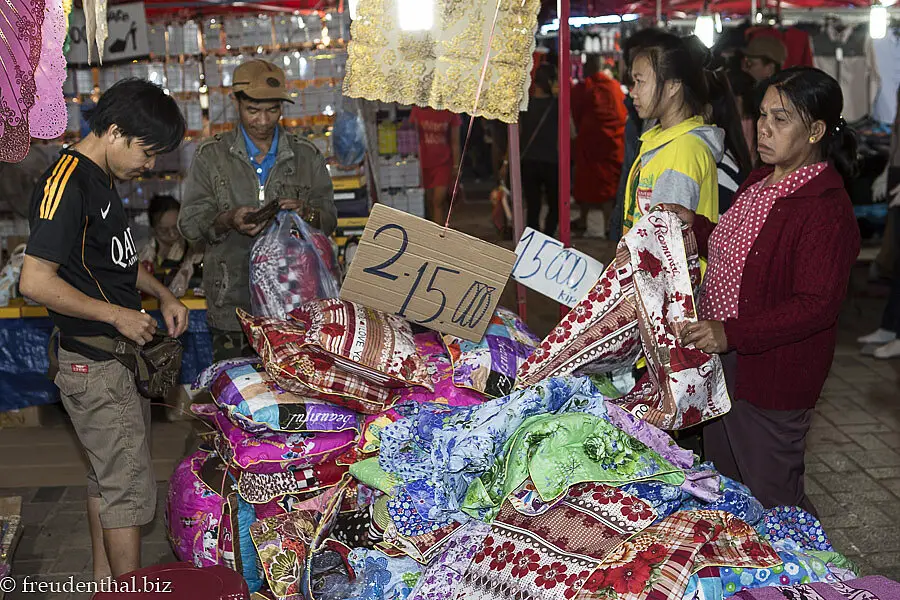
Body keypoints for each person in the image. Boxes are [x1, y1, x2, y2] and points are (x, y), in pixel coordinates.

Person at [665, 67, 860, 514]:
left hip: (770, 376)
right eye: (762, 115)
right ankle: (752, 579)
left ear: (815, 131)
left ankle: (812, 581)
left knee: (776, 503)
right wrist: (691, 224)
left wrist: (730, 334)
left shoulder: (825, 209)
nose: (764, 129)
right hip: (727, 364)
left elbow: (816, 307)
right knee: (728, 493)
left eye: (780, 118)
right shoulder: (760, 181)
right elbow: (736, 247)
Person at [18, 78, 188, 579]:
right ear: (115, 132)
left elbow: (114, 261)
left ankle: (106, 586)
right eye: (148, 152)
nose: (150, 166)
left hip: (111, 358)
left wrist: (162, 293)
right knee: (129, 489)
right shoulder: (66, 183)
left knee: (107, 480)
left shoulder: (100, 177)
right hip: (94, 361)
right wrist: (116, 314)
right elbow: (34, 280)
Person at [178, 59, 336, 362]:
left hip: (294, 304)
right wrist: (227, 219)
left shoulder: (306, 156)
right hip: (232, 305)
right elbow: (189, 224)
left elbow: (329, 220)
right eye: (253, 110)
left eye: (272, 110)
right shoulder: (212, 157)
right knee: (237, 391)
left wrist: (306, 213)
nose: (263, 120)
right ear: (236, 102)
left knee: (294, 392)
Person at [621, 32, 725, 237]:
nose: (633, 92)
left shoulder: (683, 150)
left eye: (640, 81)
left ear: (673, 85)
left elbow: (664, 243)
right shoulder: (662, 140)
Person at [610, 27, 666, 242]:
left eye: (640, 79)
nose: (633, 90)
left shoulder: (684, 142)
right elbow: (629, 174)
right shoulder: (637, 116)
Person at [571, 55, 627, 238]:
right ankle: (608, 224)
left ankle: (583, 221)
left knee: (587, 183)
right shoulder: (614, 87)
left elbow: (576, 112)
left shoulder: (584, 88)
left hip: (589, 143)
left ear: (589, 68)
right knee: (608, 186)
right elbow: (622, 113)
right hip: (612, 144)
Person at [520, 64, 560, 236]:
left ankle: (533, 239)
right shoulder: (558, 105)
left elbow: (519, 134)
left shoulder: (524, 105)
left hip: (528, 159)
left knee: (533, 205)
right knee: (555, 204)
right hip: (552, 160)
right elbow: (571, 132)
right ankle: (548, 236)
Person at [139, 195, 204, 298]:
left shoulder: (193, 250)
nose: (172, 234)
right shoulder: (144, 252)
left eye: (175, 228)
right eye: (164, 230)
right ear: (153, 228)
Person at [409, 106, 462, 225]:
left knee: (438, 201)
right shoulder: (418, 110)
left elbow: (455, 142)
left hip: (443, 162)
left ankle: (439, 235)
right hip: (422, 162)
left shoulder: (450, 111)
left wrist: (456, 166)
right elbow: (411, 135)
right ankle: (431, 232)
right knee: (428, 201)